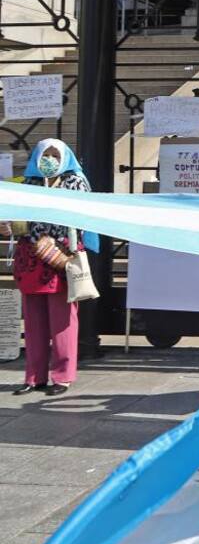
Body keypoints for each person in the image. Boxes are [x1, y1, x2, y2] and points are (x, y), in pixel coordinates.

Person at [6, 139, 91, 396]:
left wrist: (56, 242)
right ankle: (34, 377)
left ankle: (62, 377)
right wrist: (10, 225)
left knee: (62, 320)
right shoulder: (28, 184)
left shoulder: (76, 183)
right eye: (46, 154)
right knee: (33, 321)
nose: (50, 160)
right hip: (31, 259)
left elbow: (82, 219)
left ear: (65, 157)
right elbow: (19, 220)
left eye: (55, 154)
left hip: (61, 257)